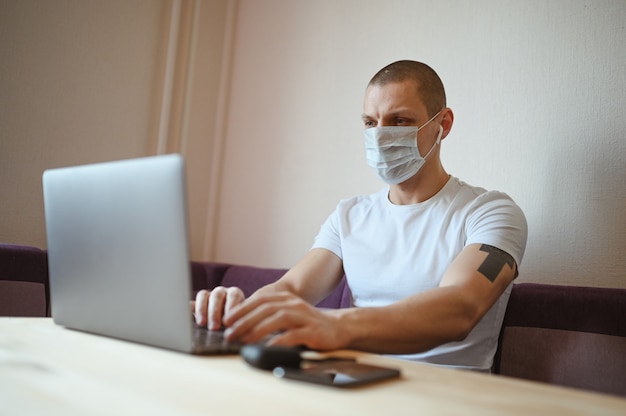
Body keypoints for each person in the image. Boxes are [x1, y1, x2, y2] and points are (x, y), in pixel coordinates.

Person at [194, 60, 527, 372]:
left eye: (399, 121)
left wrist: (335, 325)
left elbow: (461, 308)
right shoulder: (349, 215)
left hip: (444, 397)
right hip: (353, 388)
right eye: (370, 123)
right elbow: (291, 288)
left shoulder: (491, 213)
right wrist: (238, 310)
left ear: (443, 124)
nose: (380, 135)